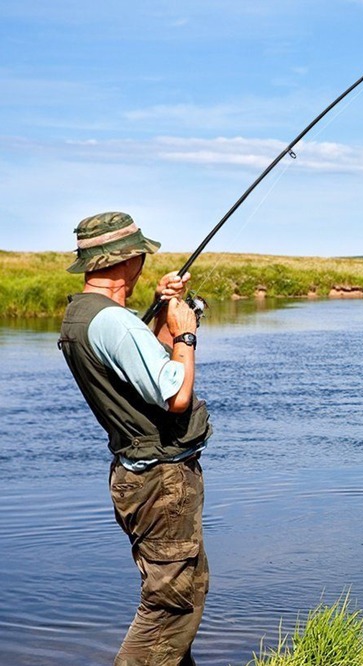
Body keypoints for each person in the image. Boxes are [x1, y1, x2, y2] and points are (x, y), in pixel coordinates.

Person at [59, 211, 213, 666]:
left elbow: (139, 368)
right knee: (170, 607)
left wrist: (162, 309)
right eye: (141, 254)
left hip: (138, 478)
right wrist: (185, 331)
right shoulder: (114, 322)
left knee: (183, 591)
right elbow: (175, 394)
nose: (145, 261)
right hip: (161, 483)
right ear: (126, 260)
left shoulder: (84, 315)